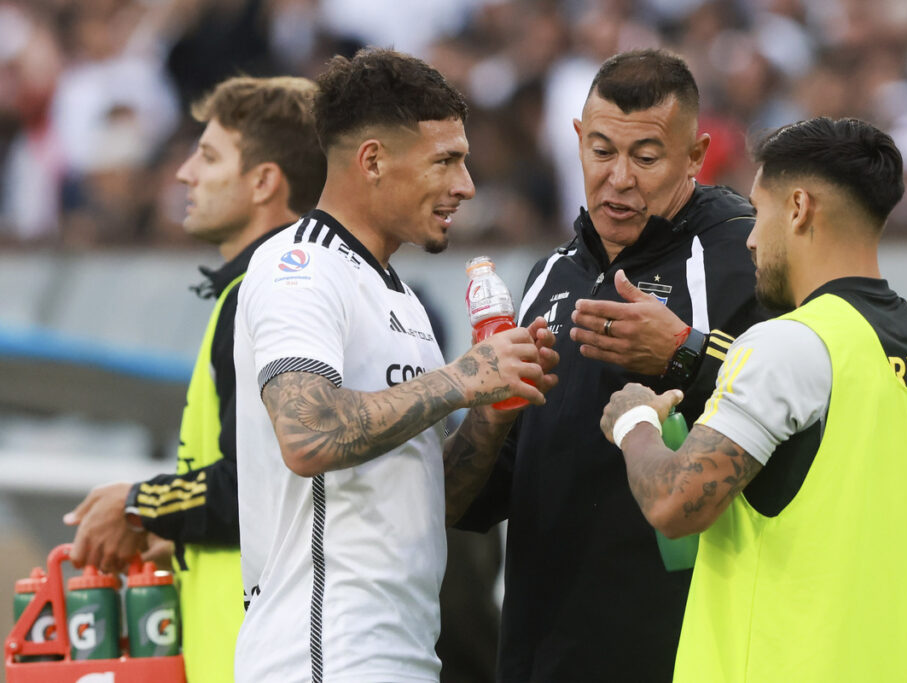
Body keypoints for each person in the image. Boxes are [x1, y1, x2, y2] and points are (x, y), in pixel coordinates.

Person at [601, 116, 907, 682]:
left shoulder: (788, 344)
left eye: (759, 210)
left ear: (798, 208)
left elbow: (677, 503)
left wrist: (635, 424)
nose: (749, 236)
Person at [231, 48, 558, 682]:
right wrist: (462, 379)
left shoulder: (400, 296)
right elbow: (308, 434)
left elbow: (431, 503)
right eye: (446, 161)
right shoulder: (298, 266)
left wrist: (492, 412)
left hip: (401, 651)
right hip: (320, 654)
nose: (465, 185)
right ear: (373, 160)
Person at [455, 49, 765, 682]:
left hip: (680, 654)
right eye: (601, 152)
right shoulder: (549, 275)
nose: (619, 178)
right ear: (576, 141)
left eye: (646, 158)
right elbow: (487, 497)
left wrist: (683, 353)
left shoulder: (743, 254)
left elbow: (797, 411)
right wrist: (487, 411)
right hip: (541, 655)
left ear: (695, 156)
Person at [62, 75, 327, 683]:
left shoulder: (265, 295)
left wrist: (139, 504)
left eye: (207, 156)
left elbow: (253, 486)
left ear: (264, 182)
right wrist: (174, 532)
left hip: (260, 660)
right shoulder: (261, 288)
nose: (184, 174)